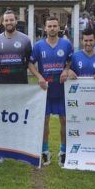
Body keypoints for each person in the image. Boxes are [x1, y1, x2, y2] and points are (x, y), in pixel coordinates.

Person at [28, 16, 73, 167]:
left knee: (64, 121)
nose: (52, 28)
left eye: (55, 25)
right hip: (45, 89)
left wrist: (66, 70)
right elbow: (30, 63)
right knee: (44, 122)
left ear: (59, 27)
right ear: (45, 28)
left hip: (61, 89)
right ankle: (45, 151)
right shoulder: (39, 46)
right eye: (49, 26)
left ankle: (63, 152)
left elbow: (70, 60)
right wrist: (39, 76)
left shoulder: (66, 44)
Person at [0, 10, 33, 163]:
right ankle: (1, 152)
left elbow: (28, 60)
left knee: (21, 117)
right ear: (2, 23)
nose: (9, 22)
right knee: (3, 117)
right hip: (3, 84)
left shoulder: (26, 40)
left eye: (11, 20)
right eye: (6, 20)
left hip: (21, 83)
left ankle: (20, 151)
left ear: (16, 21)